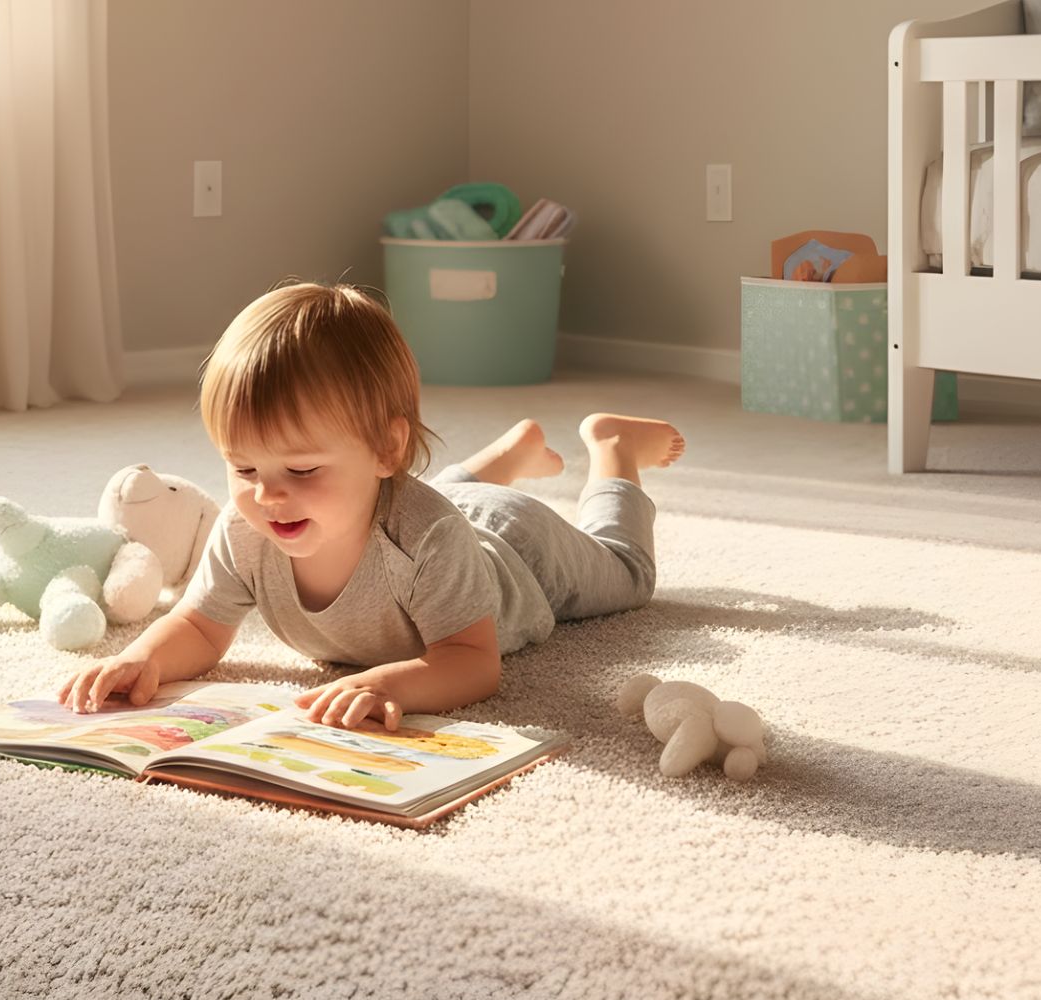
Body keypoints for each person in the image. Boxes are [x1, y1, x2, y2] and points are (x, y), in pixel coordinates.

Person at [57, 281, 683, 730]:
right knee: (392, 495)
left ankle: (614, 447)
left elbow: (471, 663)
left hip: (514, 546)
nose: (266, 494)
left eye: (300, 469)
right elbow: (199, 626)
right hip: (429, 500)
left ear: (389, 450)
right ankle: (505, 459)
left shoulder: (429, 540)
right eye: (243, 467)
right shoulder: (244, 528)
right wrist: (141, 659)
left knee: (629, 573)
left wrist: (393, 683)